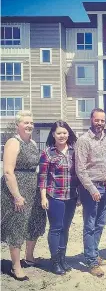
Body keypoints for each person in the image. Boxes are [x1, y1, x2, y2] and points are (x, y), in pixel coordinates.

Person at [1, 110, 46, 281]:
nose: (29, 125)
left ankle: (29, 257)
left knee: (34, 222)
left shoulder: (33, 143)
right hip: (16, 190)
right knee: (17, 226)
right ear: (18, 125)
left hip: (32, 189)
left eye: (31, 123)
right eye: (25, 122)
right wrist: (16, 196)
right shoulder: (13, 142)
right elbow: (8, 171)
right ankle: (15, 266)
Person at [75, 108, 106, 277]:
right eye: (97, 120)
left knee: (100, 224)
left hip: (105, 187)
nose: (99, 123)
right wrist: (91, 189)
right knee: (90, 225)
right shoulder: (83, 141)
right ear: (91, 120)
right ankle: (91, 261)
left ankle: (94, 254)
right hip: (90, 189)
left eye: (102, 121)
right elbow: (80, 169)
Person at [38, 120, 79, 275]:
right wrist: (43, 197)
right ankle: (54, 261)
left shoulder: (74, 151)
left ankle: (62, 258)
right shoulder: (47, 152)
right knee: (56, 228)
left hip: (71, 196)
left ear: (68, 133)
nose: (62, 135)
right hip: (54, 196)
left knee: (65, 228)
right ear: (53, 135)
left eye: (64, 132)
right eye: (59, 133)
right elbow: (42, 177)